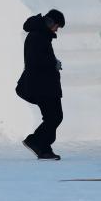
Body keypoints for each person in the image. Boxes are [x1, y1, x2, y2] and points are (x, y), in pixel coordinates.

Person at [16, 9, 65, 160]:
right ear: (50, 22)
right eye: (57, 26)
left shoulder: (40, 34)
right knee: (54, 117)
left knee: (53, 117)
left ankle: (44, 148)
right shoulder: (38, 36)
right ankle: (36, 141)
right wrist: (54, 63)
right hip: (42, 86)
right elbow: (35, 61)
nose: (57, 30)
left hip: (44, 85)